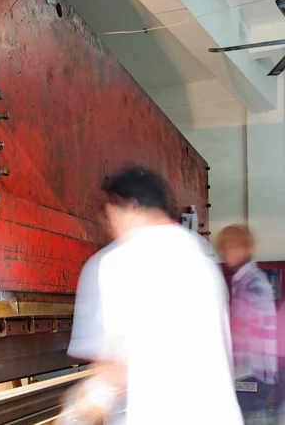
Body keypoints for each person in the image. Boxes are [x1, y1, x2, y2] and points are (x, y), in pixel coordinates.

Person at [63, 166, 243, 425]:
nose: (107, 221)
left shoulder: (117, 262)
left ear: (130, 206)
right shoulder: (200, 256)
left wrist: (77, 409)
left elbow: (112, 372)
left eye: (109, 211)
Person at [218, 225, 277, 424]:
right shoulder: (244, 281)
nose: (225, 253)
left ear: (244, 248)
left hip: (252, 374)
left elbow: (245, 332)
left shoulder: (253, 283)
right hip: (250, 373)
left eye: (229, 247)